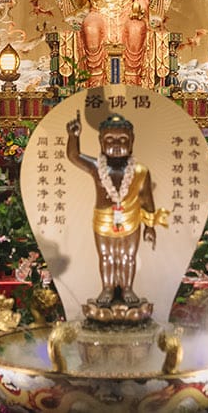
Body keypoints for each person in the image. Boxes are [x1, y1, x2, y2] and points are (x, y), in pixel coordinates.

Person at [65, 113, 168, 311]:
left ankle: (128, 288)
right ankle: (107, 288)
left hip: (131, 219)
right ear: (101, 142)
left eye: (123, 139)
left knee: (128, 256)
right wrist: (73, 136)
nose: (116, 144)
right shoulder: (97, 167)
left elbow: (147, 199)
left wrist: (150, 226)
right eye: (110, 139)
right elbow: (74, 156)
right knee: (107, 256)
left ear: (132, 142)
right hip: (103, 219)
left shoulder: (140, 171)